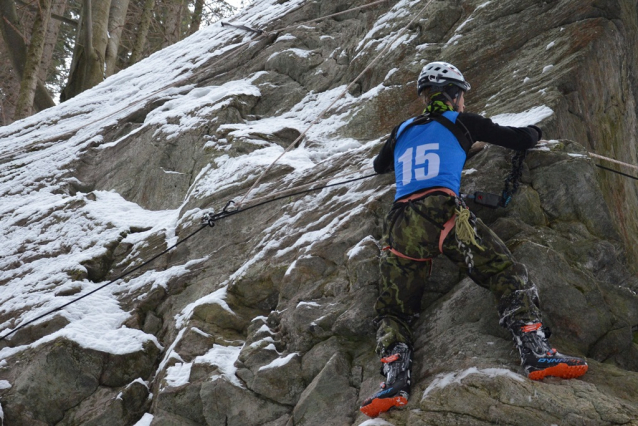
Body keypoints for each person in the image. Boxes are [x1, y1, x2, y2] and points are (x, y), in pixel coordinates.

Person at [360, 61, 588, 418]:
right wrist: (537, 133)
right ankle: (535, 350)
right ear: (454, 96)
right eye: (462, 95)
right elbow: (519, 139)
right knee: (504, 272)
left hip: (401, 222)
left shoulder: (402, 129)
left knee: (394, 310)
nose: (464, 102)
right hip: (444, 212)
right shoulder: (464, 122)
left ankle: (394, 380)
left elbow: (379, 166)